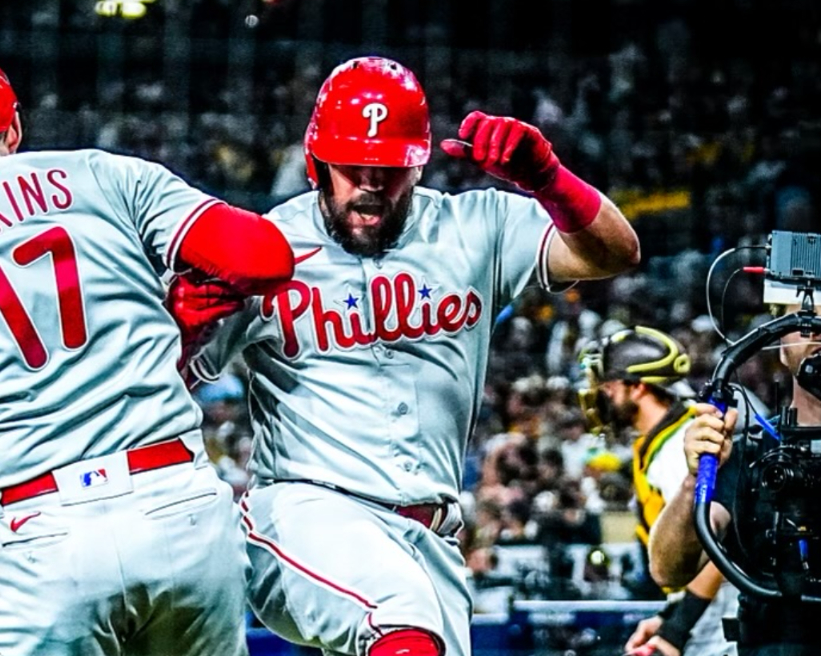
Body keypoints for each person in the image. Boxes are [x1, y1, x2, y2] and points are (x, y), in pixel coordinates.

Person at [0, 47, 294, 656]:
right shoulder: (102, 173)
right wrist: (185, 306)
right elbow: (263, 257)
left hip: (48, 538)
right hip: (183, 509)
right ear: (12, 127)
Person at [175, 56, 641, 656]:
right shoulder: (264, 246)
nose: (370, 182)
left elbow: (614, 253)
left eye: (389, 169)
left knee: (410, 621)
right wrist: (179, 327)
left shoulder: (476, 226)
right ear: (317, 162)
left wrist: (550, 178)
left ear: (418, 165)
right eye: (353, 166)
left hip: (434, 539)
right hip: (305, 512)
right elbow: (170, 378)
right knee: (403, 622)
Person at [650, 303, 821, 656]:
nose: (819, 328)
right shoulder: (749, 452)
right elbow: (668, 570)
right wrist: (694, 480)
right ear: (778, 337)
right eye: (807, 315)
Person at [578, 326, 737, 656]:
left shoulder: (680, 447)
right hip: (710, 628)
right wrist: (667, 617)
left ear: (636, 387)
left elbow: (721, 546)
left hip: (720, 637)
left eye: (608, 386)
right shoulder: (668, 440)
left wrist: (676, 631)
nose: (601, 396)